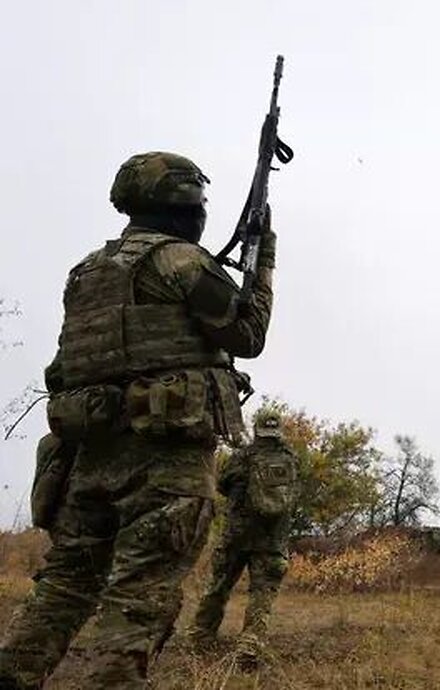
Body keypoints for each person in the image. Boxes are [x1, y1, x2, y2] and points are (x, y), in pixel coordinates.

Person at [0, 151, 277, 689]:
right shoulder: (182, 263)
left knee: (62, 589)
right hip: (164, 463)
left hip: (88, 457)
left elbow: (65, 366)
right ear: (186, 202)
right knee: (139, 602)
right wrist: (262, 261)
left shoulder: (87, 273)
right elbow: (248, 335)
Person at [188, 409, 300, 667]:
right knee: (263, 592)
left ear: (256, 428)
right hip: (272, 539)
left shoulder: (242, 457)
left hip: (236, 536)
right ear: (278, 430)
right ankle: (249, 644)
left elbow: (222, 486)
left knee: (218, 586)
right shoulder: (291, 459)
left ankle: (200, 637)